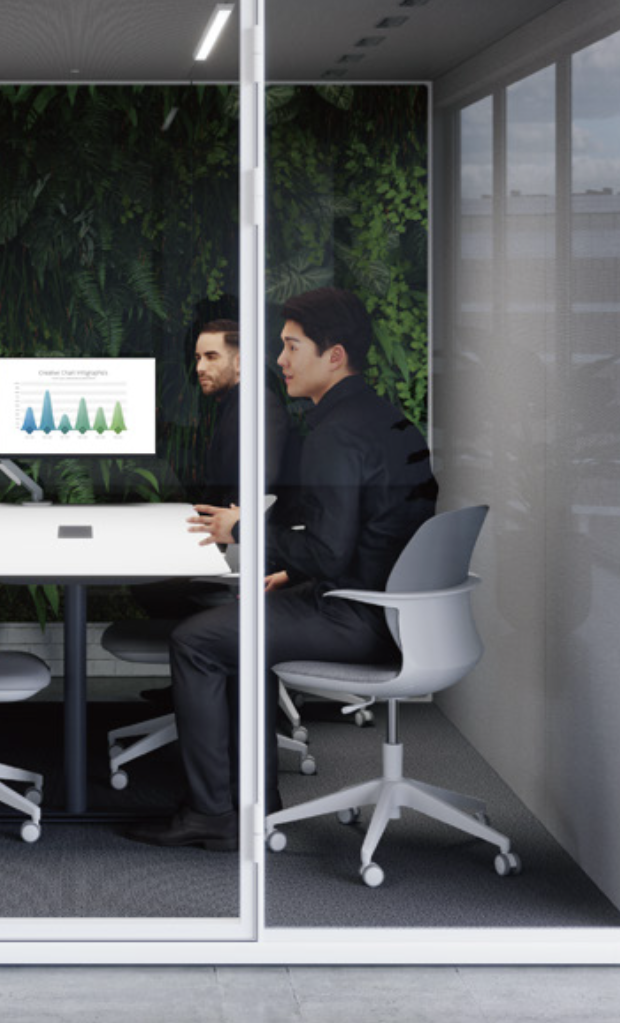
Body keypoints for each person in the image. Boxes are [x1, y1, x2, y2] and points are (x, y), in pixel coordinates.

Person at [127, 288, 438, 850]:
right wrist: (293, 576)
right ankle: (250, 801)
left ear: (334, 356)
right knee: (239, 630)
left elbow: (328, 552)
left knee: (197, 640)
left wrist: (239, 530)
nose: (280, 361)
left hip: (359, 616)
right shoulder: (384, 419)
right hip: (397, 607)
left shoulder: (333, 434)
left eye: (293, 347)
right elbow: (374, 528)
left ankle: (213, 814)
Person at [131, 312, 289, 625]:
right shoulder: (238, 406)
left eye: (212, 357)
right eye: (198, 358)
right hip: (228, 541)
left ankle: (207, 646)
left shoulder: (256, 411)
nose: (200, 367)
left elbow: (258, 493)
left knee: (147, 584)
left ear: (242, 362)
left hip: (239, 551)